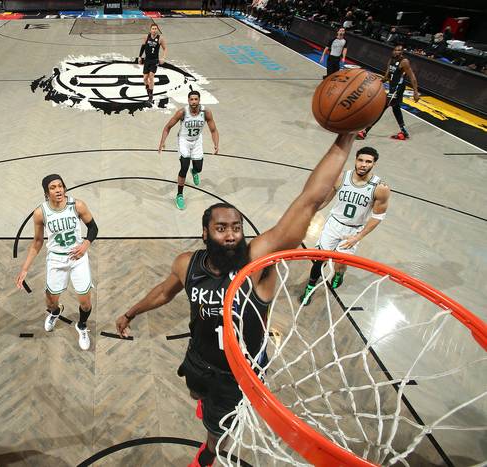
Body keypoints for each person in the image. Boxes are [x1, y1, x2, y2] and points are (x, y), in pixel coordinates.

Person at [116, 133, 356, 467]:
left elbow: (309, 201)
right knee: (196, 393)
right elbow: (163, 291)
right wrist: (131, 313)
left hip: (238, 372)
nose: (230, 235)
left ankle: (209, 453)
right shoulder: (189, 263)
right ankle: (202, 398)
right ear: (205, 233)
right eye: (221, 228)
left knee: (216, 427)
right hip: (199, 358)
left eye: (236, 228)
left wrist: (345, 138)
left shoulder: (257, 260)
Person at [15, 174, 98, 350]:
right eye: (53, 187)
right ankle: (55, 312)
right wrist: (24, 269)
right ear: (47, 192)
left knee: (86, 302)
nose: (58, 190)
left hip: (77, 257)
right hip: (55, 258)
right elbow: (37, 242)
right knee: (50, 301)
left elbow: (93, 228)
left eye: (60, 186)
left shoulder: (77, 205)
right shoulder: (40, 213)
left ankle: (82, 326)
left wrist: (85, 245)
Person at [299, 147, 390, 305]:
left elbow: (378, 216)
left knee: (340, 265)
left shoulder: (380, 188)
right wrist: (311, 210)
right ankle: (310, 287)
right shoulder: (342, 177)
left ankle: (339, 274)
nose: (363, 164)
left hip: (354, 230)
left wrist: (358, 237)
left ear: (374, 164)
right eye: (360, 160)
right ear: (355, 160)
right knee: (319, 258)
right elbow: (327, 199)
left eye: (368, 162)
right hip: (334, 224)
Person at [158, 90, 219, 210]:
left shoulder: (206, 112)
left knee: (199, 167)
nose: (194, 101)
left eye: (196, 99)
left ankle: (195, 171)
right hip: (184, 141)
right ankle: (179, 195)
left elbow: (213, 130)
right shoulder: (182, 112)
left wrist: (216, 144)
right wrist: (162, 142)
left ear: (199, 100)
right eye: (191, 99)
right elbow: (167, 127)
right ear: (188, 101)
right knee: (184, 166)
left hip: (197, 141)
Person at [357, 44, 419, 141]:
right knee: (396, 108)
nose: (395, 51)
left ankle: (364, 132)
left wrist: (415, 92)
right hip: (392, 87)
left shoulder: (404, 62)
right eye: (395, 50)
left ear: (402, 52)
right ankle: (404, 131)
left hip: (398, 88)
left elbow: (412, 77)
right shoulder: (391, 60)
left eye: (398, 50)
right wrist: (377, 81)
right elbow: (387, 77)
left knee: (382, 107)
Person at [138, 24, 166, 105]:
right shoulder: (146, 37)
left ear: (157, 30)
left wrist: (163, 57)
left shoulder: (160, 38)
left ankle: (151, 96)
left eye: (155, 29)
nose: (154, 30)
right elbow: (143, 47)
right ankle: (148, 90)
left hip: (154, 60)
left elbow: (165, 48)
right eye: (153, 29)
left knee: (151, 76)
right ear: (150, 30)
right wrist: (140, 57)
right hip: (147, 60)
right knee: (145, 79)